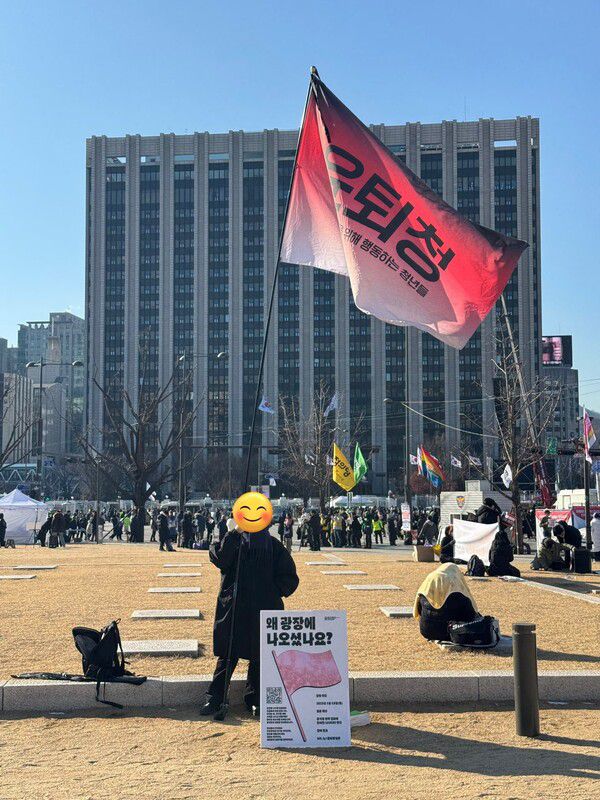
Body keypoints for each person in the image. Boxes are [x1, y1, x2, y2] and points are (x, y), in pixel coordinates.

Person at [200, 521, 299, 717]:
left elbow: (289, 577)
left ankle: (255, 699)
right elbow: (220, 559)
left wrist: (272, 592)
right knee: (228, 654)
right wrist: (234, 533)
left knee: (260, 655)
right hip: (235, 607)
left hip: (263, 606)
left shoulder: (273, 545)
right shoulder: (230, 542)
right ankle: (215, 697)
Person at [413, 563, 479, 641]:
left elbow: (419, 610)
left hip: (426, 631)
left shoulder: (428, 582)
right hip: (450, 633)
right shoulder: (455, 585)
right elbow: (470, 615)